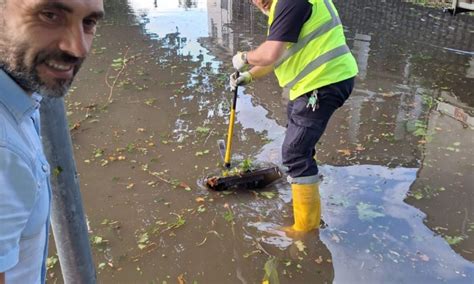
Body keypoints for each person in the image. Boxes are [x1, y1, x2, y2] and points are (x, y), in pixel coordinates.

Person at [230, 0, 358, 233]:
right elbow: (281, 56)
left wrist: (245, 57)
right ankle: (303, 188)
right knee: (298, 142)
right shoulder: (284, 6)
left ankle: (305, 230)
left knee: (295, 153)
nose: (255, 2)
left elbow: (270, 53)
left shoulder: (291, 1)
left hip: (323, 82)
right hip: (315, 84)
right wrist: (248, 77)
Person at [0, 0, 104, 283]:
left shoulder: (19, 99)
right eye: (49, 15)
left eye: (89, 22)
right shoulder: (4, 152)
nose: (79, 48)